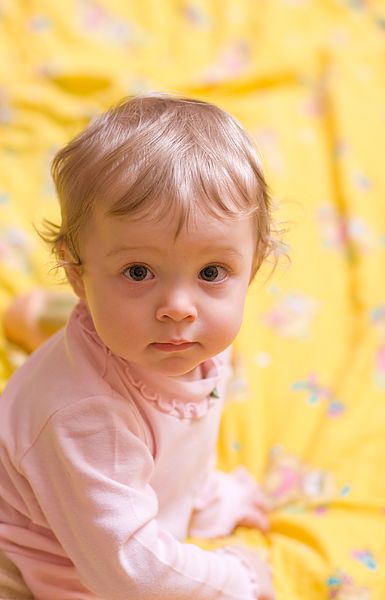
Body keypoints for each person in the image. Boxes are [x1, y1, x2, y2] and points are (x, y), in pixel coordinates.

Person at [0, 93, 280, 599]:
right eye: (138, 272)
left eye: (211, 273)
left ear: (254, 265)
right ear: (77, 274)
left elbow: (175, 449)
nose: (178, 307)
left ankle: (41, 315)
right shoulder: (87, 417)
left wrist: (209, 500)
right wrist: (234, 579)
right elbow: (131, 572)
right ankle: (41, 316)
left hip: (98, 529)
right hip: (39, 563)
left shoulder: (187, 340)